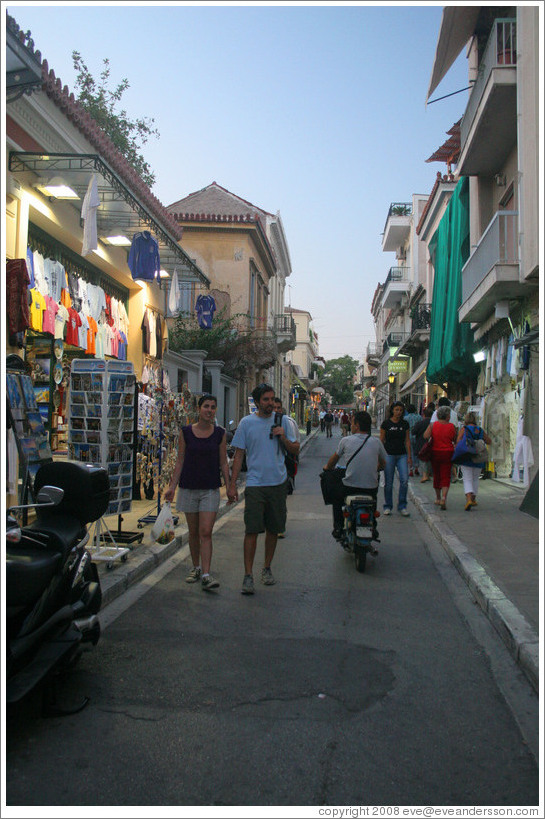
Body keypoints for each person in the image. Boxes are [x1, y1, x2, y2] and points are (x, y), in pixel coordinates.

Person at [228, 383, 300, 595]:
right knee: (251, 530)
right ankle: (248, 575)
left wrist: (283, 436)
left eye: (272, 399)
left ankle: (267, 568)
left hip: (277, 483)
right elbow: (239, 454)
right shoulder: (246, 423)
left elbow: (295, 449)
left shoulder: (283, 422)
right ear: (258, 402)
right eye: (266, 400)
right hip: (256, 484)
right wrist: (232, 485)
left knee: (273, 529)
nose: (270, 404)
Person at [164, 394, 231, 591]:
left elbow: (223, 463)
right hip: (189, 488)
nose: (210, 410)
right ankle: (195, 567)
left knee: (206, 531)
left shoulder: (220, 433)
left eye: (213, 407)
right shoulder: (186, 432)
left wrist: (230, 487)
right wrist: (171, 486)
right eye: (206, 406)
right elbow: (180, 460)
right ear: (199, 409)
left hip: (210, 489)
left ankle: (207, 574)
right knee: (193, 532)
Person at [323, 411, 387, 539]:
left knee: (336, 498)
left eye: (352, 423)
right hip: (370, 488)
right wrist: (375, 469)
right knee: (373, 497)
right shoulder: (376, 442)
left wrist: (327, 468)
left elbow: (333, 461)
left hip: (350, 488)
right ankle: (372, 525)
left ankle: (338, 527)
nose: (350, 425)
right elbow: (383, 463)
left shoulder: (345, 441)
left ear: (357, 425)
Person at [380, 401, 412, 516]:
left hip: (402, 455)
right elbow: (381, 440)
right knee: (388, 482)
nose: (398, 412)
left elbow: (407, 440)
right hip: (389, 454)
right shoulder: (386, 424)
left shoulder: (405, 424)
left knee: (404, 480)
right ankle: (388, 505)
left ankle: (402, 505)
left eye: (401, 410)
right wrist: (380, 456)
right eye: (397, 410)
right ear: (392, 411)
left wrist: (409, 456)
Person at [423, 404, 458, 510]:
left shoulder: (433, 425)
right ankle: (444, 497)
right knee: (446, 476)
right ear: (447, 416)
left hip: (435, 452)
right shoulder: (452, 426)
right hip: (448, 452)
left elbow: (425, 436)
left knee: (437, 475)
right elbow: (454, 439)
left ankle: (437, 497)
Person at [456, 412, 492, 511]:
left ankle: (468, 499)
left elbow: (458, 441)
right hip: (478, 457)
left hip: (467, 456)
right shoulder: (479, 430)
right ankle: (473, 498)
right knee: (475, 479)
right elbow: (489, 441)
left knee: (467, 478)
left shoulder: (464, 429)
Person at [412, 406, 433, 482]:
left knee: (423, 460)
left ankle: (424, 475)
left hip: (421, 444)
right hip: (431, 444)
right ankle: (428, 474)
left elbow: (413, 432)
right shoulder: (434, 424)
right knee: (429, 460)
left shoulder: (420, 423)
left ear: (423, 415)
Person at [404, 404, 422, 476]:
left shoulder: (405, 418)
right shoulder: (419, 417)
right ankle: (416, 468)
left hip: (408, 437)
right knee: (416, 452)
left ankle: (410, 469)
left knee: (409, 453)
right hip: (417, 437)